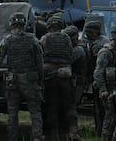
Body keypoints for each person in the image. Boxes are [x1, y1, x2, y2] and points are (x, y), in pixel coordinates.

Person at [0, 12, 44, 141]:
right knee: (35, 111)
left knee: (12, 112)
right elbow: (40, 63)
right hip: (31, 80)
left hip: (13, 80)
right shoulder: (33, 39)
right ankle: (37, 137)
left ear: (11, 24)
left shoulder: (7, 40)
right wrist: (40, 81)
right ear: (24, 24)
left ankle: (12, 137)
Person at [41, 13, 81, 141]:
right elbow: (70, 55)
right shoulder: (66, 38)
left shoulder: (44, 38)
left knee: (51, 106)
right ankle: (73, 132)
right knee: (69, 105)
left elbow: (39, 55)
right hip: (65, 74)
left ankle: (53, 136)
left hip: (49, 76)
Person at [93, 25, 116, 141]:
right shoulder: (105, 52)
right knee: (109, 118)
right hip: (108, 90)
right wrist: (103, 90)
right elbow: (98, 72)